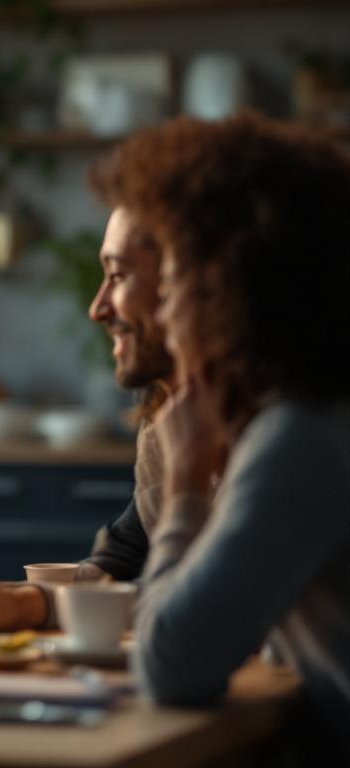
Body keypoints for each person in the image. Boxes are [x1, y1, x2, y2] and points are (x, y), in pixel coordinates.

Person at [105, 114, 350, 758]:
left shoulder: (300, 436)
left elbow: (172, 667)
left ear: (235, 287)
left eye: (179, 274)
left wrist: (186, 485)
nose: (166, 309)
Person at [0, 203, 175, 632]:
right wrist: (23, 602)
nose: (97, 308)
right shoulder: (165, 415)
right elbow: (128, 554)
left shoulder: (275, 431)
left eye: (118, 276)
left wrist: (35, 606)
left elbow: (216, 602)